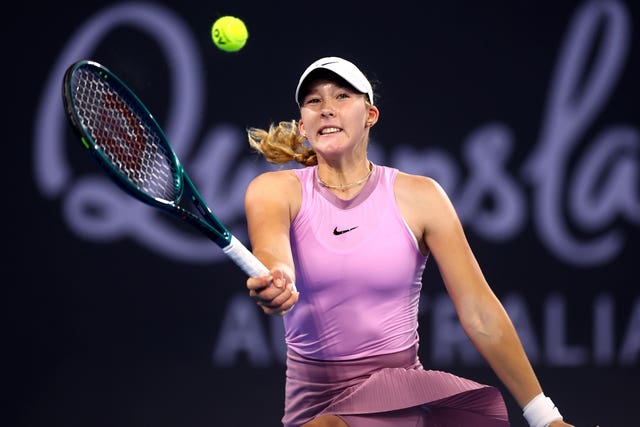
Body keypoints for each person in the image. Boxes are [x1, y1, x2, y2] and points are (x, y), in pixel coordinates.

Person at [244, 56, 574, 427]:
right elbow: (273, 253)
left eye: (341, 96)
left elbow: (479, 311)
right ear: (303, 125)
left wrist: (546, 417)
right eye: (314, 101)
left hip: (394, 397)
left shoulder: (422, 197)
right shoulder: (272, 190)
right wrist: (279, 279)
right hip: (307, 399)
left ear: (370, 115)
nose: (327, 110)